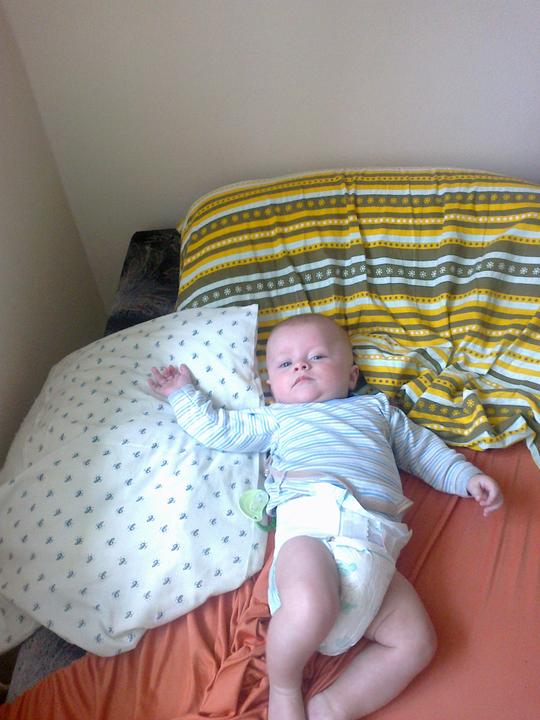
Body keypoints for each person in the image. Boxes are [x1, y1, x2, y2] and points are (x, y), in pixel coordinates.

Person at [148, 313, 503, 720]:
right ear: (271, 386)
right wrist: (182, 393)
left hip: (374, 553)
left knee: (417, 643)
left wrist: (466, 477)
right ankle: (284, 686)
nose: (301, 366)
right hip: (311, 535)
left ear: (351, 375)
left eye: (316, 356)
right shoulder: (278, 419)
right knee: (312, 604)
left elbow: (424, 452)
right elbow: (219, 429)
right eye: (286, 364)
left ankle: (333, 707)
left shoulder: (377, 411)